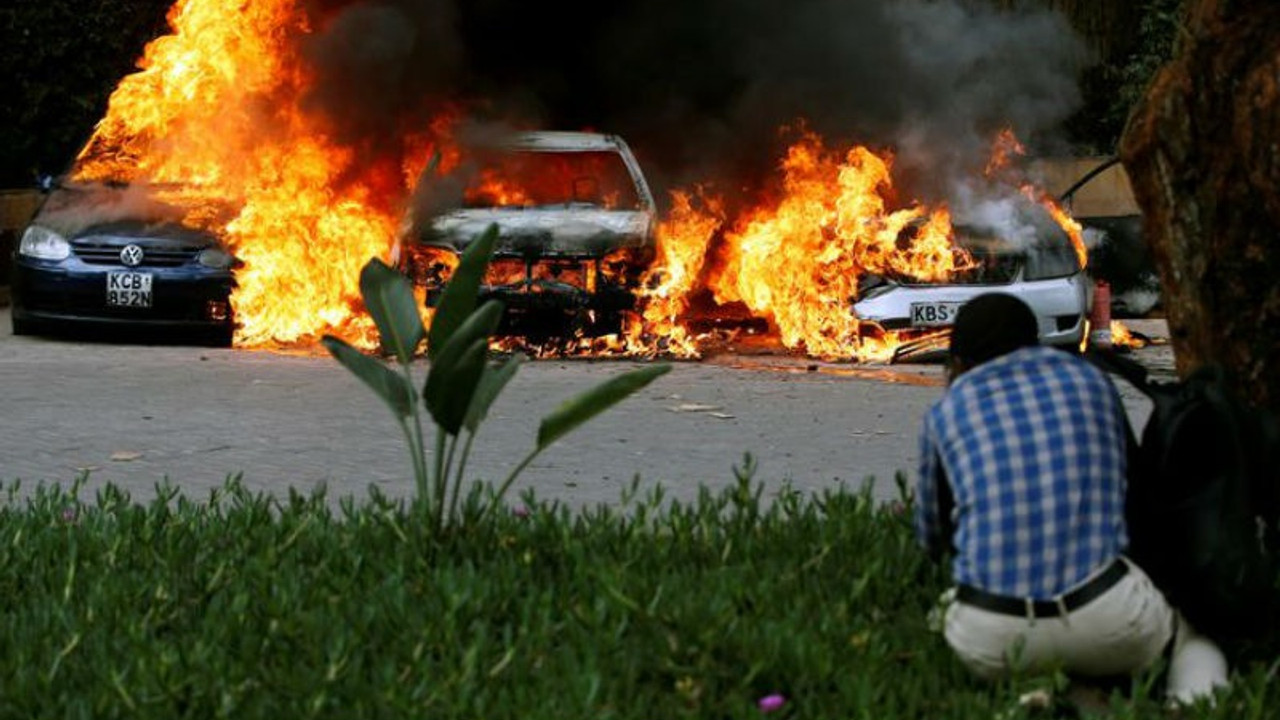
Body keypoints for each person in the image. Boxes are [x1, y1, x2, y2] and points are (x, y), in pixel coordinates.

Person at [914, 293, 1228, 705]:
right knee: (1193, 642)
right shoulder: (1090, 380)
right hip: (1107, 614)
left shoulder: (945, 414)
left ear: (958, 361)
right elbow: (1133, 493)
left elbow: (934, 540)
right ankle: (1187, 704)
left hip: (995, 636)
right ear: (1033, 343)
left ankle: (1041, 695)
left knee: (946, 613)